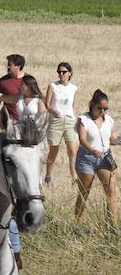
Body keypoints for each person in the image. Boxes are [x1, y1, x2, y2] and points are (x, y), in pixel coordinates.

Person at [75, 89, 118, 224]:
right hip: (87, 158)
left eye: (105, 108)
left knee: (111, 191)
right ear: (92, 105)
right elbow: (82, 139)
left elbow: (110, 139)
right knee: (84, 193)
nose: (102, 111)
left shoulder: (109, 120)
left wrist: (117, 140)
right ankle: (78, 226)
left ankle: (113, 227)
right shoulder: (84, 120)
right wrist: (92, 150)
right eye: (99, 108)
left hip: (104, 159)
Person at [45, 62, 79, 186]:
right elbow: (47, 104)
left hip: (69, 121)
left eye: (64, 72)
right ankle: (48, 177)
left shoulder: (74, 88)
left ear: (70, 73)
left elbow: (72, 105)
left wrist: (75, 119)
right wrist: (53, 111)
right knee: (54, 150)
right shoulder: (53, 86)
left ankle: (74, 179)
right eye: (59, 71)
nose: (61, 74)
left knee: (72, 151)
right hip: (56, 121)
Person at [0, 54, 28, 134]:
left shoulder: (28, 80)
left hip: (25, 123)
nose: (7, 67)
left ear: (18, 66)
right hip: (8, 122)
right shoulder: (3, 81)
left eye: (10, 65)